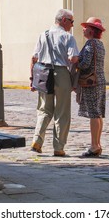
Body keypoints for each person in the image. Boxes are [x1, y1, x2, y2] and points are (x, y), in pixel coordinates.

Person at [30, 9, 79, 156]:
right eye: (71, 21)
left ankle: (37, 142)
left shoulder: (43, 35)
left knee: (44, 110)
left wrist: (32, 79)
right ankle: (58, 148)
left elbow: (34, 58)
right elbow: (73, 58)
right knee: (62, 112)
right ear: (64, 20)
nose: (72, 25)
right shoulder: (67, 37)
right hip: (61, 73)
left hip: (44, 73)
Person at [77, 17, 106, 157]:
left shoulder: (90, 44)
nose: (83, 29)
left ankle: (94, 146)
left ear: (91, 30)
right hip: (100, 80)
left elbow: (85, 64)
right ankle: (97, 144)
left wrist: (75, 62)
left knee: (94, 114)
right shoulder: (100, 44)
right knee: (98, 113)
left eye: (85, 27)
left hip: (91, 82)